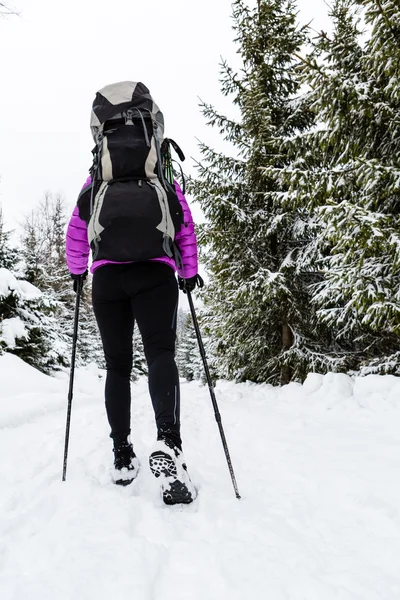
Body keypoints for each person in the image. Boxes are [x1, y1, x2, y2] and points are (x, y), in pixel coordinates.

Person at [65, 81, 202, 505]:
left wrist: (79, 271)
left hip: (109, 280)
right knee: (161, 354)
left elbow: (75, 229)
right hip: (156, 275)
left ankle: (122, 453)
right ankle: (169, 444)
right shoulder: (159, 178)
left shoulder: (95, 183)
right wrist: (188, 271)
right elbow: (184, 225)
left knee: (118, 366)